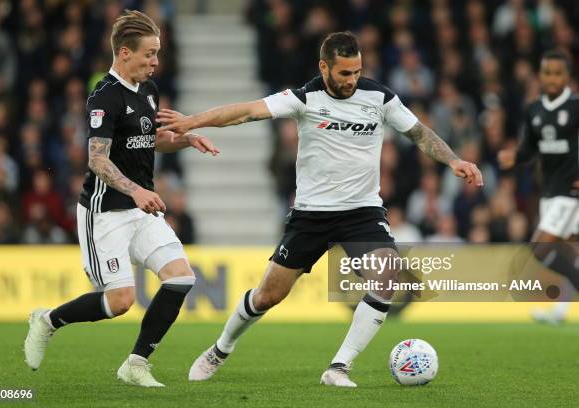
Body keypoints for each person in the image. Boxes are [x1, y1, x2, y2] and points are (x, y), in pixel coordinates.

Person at [157, 31, 483, 387]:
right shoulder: (304, 98)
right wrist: (192, 122)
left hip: (362, 212)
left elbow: (418, 133)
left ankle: (338, 367)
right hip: (312, 214)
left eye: (357, 72)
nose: (352, 80)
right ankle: (220, 348)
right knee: (269, 295)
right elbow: (246, 112)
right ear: (324, 67)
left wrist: (452, 160)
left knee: (387, 277)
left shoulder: (380, 97)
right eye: (344, 73)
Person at [23, 10, 219, 387]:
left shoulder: (148, 90)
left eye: (158, 53)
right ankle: (47, 320)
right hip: (105, 212)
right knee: (120, 302)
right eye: (149, 54)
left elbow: (149, 139)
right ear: (124, 53)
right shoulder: (105, 97)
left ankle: (136, 363)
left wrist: (186, 139)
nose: (156, 62)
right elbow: (97, 158)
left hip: (140, 209)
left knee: (180, 278)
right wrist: (137, 189)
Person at [498, 50, 578, 325]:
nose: (552, 78)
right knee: (570, 252)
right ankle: (560, 312)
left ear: (567, 76)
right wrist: (514, 156)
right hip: (549, 192)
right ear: (541, 76)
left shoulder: (576, 107)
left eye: (558, 73)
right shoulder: (534, 110)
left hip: (571, 191)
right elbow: (529, 149)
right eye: (547, 73)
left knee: (540, 249)